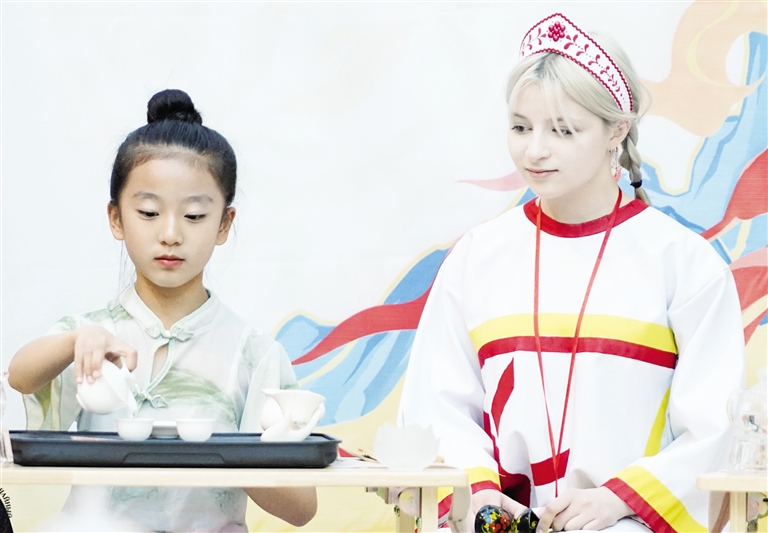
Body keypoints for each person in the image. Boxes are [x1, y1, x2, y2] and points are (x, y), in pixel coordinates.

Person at [398, 13, 745, 533]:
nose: (534, 150)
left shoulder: (683, 263)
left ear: (617, 130)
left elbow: (715, 431)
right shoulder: (477, 257)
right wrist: (482, 495)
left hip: (628, 524)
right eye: (521, 127)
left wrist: (615, 501)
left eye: (563, 130)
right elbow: (436, 407)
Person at [8, 89, 317, 532]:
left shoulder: (253, 354)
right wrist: (75, 341)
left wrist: (225, 450)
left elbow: (302, 509)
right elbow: (21, 376)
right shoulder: (90, 335)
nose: (170, 234)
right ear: (116, 218)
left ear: (224, 224)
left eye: (194, 216)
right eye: (149, 212)